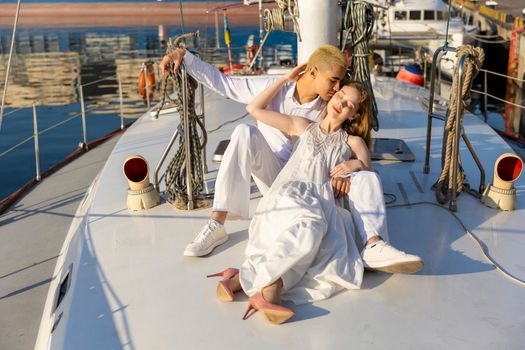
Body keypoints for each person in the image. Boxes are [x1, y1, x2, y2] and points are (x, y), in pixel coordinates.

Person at [160, 45, 422, 273]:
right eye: (333, 81)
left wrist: (352, 169)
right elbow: (224, 84)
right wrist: (186, 57)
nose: (337, 89)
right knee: (244, 132)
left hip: (311, 186)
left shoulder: (330, 109)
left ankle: (373, 244)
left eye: (340, 84)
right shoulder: (272, 91)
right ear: (312, 72)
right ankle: (217, 224)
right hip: (273, 177)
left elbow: (349, 149)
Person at [208, 72, 423, 325]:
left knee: (313, 234)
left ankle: (258, 284)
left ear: (353, 115)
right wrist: (283, 82)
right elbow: (253, 108)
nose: (341, 103)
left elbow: (369, 180)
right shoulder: (302, 126)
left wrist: (355, 164)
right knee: (310, 227)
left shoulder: (354, 142)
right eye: (341, 95)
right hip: (288, 195)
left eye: (349, 105)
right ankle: (258, 285)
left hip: (321, 200)